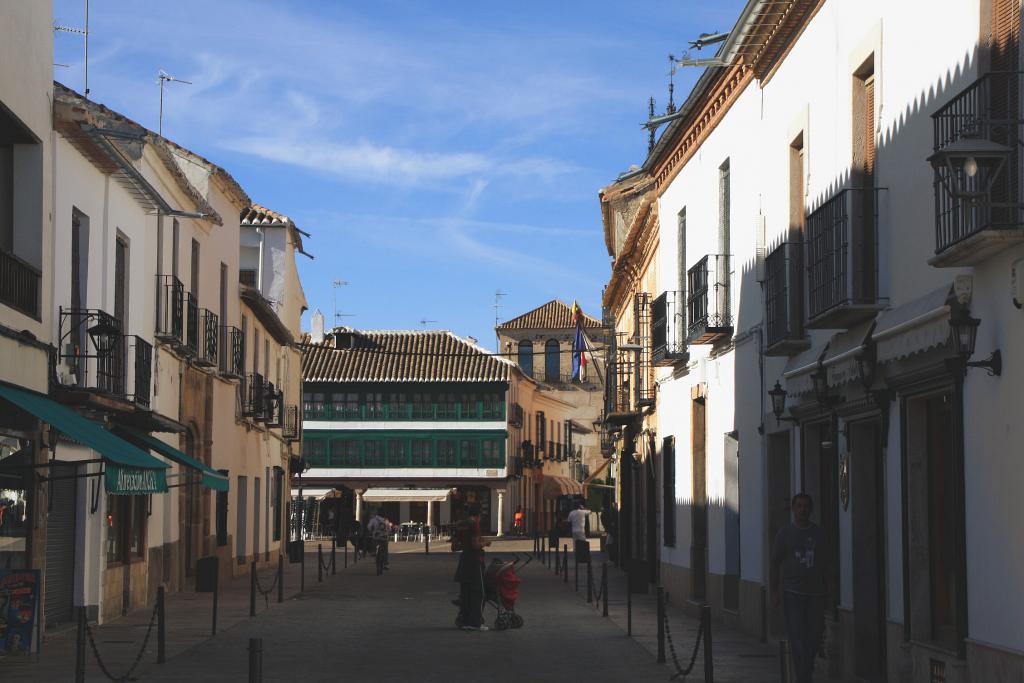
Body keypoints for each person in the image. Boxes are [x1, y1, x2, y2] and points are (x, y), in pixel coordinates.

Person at [770, 493, 832, 683]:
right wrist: (774, 591)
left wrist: (829, 591)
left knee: (813, 639)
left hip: (816, 594)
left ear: (810, 510)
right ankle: (804, 678)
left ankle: (806, 672)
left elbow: (826, 564)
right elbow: (775, 563)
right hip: (792, 594)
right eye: (799, 506)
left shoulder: (819, 534)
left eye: (806, 506)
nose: (802, 510)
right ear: (793, 509)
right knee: (797, 640)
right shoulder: (785, 533)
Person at [454, 504, 491, 631]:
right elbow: (475, 544)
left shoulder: (460, 525)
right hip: (474, 561)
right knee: (478, 592)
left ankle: (464, 620)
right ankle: (475, 622)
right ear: (478, 516)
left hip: (464, 561)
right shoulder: (474, 525)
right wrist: (485, 543)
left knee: (465, 593)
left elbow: (454, 546)